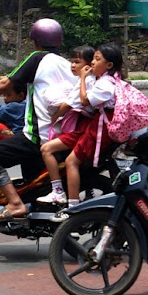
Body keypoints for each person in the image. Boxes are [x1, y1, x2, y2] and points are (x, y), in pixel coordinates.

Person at [0, 18, 77, 222]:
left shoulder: (38, 58)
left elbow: (6, 83)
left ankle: (15, 203)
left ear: (36, 41)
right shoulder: (66, 64)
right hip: (63, 136)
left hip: (39, 136)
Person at [45, 43, 123, 222]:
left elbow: (84, 100)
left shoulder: (102, 83)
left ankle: (71, 206)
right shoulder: (108, 79)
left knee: (70, 161)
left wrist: (82, 78)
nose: (93, 63)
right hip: (96, 126)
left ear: (109, 65)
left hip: (98, 128)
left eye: (97, 59)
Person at [36, 45, 95, 207]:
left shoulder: (87, 81)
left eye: (77, 62)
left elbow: (67, 105)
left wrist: (53, 118)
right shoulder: (85, 80)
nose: (73, 65)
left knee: (47, 149)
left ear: (88, 65)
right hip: (82, 127)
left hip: (82, 129)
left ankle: (58, 191)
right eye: (72, 61)